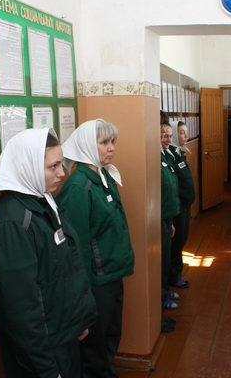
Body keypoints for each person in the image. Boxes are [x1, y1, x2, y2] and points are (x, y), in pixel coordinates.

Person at [0, 128, 97, 378]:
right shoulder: (13, 223)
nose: (62, 173)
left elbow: (67, 268)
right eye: (53, 166)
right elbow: (21, 309)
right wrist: (45, 368)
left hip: (64, 334)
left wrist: (79, 320)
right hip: (44, 352)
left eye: (61, 164)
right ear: (29, 167)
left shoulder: (44, 201)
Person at [57, 119, 134, 378]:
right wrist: (84, 292)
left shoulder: (103, 176)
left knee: (110, 334)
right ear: (87, 146)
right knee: (95, 347)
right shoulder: (79, 187)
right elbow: (76, 247)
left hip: (112, 273)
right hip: (96, 282)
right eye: (103, 142)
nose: (111, 148)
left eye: (112, 142)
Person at [168, 121, 195, 289]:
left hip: (185, 205)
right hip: (177, 207)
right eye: (182, 132)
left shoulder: (179, 153)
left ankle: (176, 273)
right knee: (176, 243)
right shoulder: (170, 156)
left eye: (186, 132)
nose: (186, 136)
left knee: (182, 240)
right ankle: (174, 275)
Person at [160, 122, 181, 332]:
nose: (167, 139)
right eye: (163, 135)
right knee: (162, 260)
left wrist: (172, 221)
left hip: (168, 216)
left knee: (166, 259)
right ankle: (161, 297)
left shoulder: (167, 156)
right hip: (161, 216)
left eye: (169, 135)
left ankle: (165, 291)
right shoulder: (156, 158)